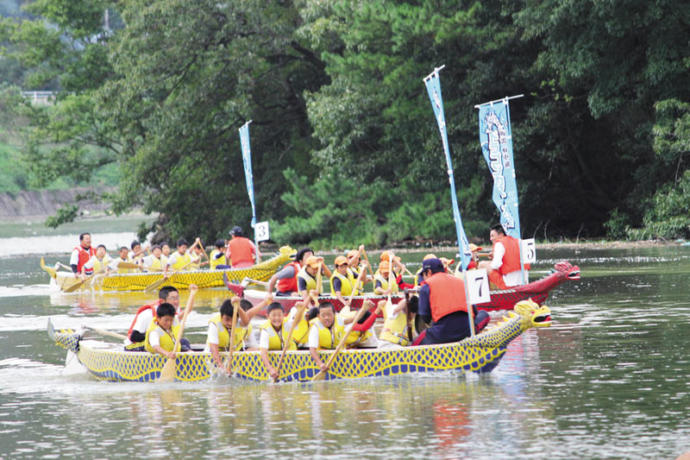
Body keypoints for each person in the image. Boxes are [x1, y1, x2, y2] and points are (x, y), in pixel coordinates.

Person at [413, 258, 489, 345]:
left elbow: (425, 317)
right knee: (484, 314)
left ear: (429, 272)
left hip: (442, 334)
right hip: (467, 331)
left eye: (423, 275)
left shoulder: (426, 286)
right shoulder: (461, 282)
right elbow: (474, 311)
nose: (423, 278)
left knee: (416, 341)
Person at [206, 296, 267, 374]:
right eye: (227, 319)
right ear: (221, 316)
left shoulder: (238, 321)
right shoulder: (214, 324)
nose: (230, 323)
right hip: (214, 355)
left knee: (257, 350)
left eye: (233, 320)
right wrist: (221, 367)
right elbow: (214, 349)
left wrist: (238, 306)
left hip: (234, 354)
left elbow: (246, 320)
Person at [125, 285, 191, 351]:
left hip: (158, 341)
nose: (176, 302)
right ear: (162, 301)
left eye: (177, 298)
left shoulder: (173, 311)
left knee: (184, 342)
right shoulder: (148, 314)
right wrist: (156, 335)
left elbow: (187, 310)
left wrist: (193, 293)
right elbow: (134, 337)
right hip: (134, 346)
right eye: (172, 298)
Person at [144, 285, 197, 358]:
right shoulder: (154, 331)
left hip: (172, 351)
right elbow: (156, 347)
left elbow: (188, 309)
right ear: (158, 318)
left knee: (184, 342)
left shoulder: (174, 319)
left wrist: (193, 293)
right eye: (166, 320)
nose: (169, 323)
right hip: (163, 355)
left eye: (170, 320)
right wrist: (167, 354)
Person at [478, 224, 529, 289]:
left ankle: (488, 293)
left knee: (482, 265)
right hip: (524, 282)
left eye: (492, 236)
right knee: (488, 264)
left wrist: (490, 262)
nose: (491, 239)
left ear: (501, 235)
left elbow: (496, 265)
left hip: (509, 284)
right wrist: (494, 256)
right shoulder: (519, 241)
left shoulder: (499, 244)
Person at [259, 302, 300, 380]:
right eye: (274, 315)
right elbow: (263, 352)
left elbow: (297, 320)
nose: (277, 318)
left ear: (284, 315)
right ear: (267, 316)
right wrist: (270, 368)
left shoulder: (287, 324)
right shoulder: (266, 330)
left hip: (291, 358)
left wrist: (300, 309)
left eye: (279, 315)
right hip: (274, 361)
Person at [308, 302, 346, 371]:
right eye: (323, 315)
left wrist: (364, 309)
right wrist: (320, 364)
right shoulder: (315, 327)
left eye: (329, 315)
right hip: (323, 358)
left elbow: (354, 319)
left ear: (334, 314)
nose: (326, 318)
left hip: (339, 356)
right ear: (319, 316)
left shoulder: (340, 320)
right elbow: (312, 349)